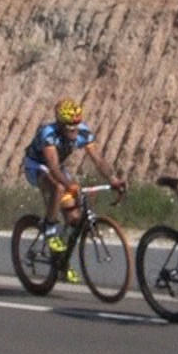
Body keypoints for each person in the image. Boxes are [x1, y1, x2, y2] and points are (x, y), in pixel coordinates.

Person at [23, 98, 125, 254]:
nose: (74, 130)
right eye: (69, 126)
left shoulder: (83, 132)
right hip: (37, 165)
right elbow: (53, 167)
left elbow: (98, 160)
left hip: (57, 167)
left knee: (73, 218)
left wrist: (113, 179)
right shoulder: (48, 134)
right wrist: (69, 185)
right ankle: (50, 228)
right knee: (58, 188)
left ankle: (60, 260)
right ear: (60, 124)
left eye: (76, 125)